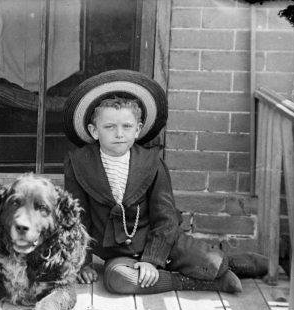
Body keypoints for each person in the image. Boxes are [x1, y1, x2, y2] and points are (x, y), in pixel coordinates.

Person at [62, 70, 269, 295]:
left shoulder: (151, 163)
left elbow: (166, 216)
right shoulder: (79, 163)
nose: (119, 134)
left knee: (212, 262)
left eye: (127, 127)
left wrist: (152, 260)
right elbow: (77, 217)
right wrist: (82, 263)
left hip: (161, 241)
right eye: (109, 127)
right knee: (118, 280)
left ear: (138, 129)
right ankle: (206, 283)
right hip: (117, 252)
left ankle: (244, 264)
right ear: (94, 131)